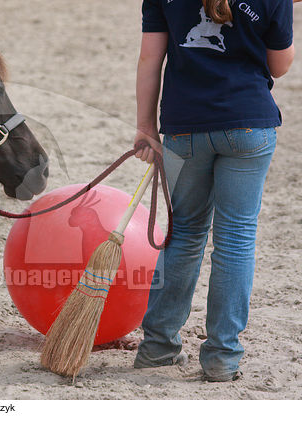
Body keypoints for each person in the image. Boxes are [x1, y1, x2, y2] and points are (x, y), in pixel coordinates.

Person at [133, 0, 295, 382]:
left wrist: (145, 127)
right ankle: (222, 357)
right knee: (236, 238)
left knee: (185, 233)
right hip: (248, 125)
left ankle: (157, 348)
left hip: (184, 126)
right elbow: (279, 66)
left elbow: (148, 61)